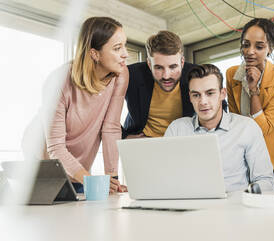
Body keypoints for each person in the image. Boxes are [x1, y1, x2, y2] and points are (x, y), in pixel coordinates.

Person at [37, 17, 129, 193]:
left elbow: (110, 128)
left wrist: (112, 179)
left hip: (80, 174)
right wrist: (89, 179)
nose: (125, 53)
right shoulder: (58, 81)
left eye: (124, 45)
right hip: (48, 171)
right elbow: (55, 147)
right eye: (117, 48)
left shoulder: (121, 74)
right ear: (95, 54)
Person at [165, 64, 274, 192]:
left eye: (210, 93)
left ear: (222, 94)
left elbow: (265, 180)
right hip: (189, 206)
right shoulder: (176, 129)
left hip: (235, 207)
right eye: (196, 95)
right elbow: (164, 177)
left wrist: (241, 198)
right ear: (190, 97)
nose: (203, 102)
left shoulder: (246, 128)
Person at [226, 18, 274, 184]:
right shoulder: (232, 75)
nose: (250, 51)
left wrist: (253, 89)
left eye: (259, 46)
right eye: (246, 44)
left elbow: (264, 128)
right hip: (245, 159)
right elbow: (234, 121)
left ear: (270, 49)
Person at [122, 31, 194, 138]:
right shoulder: (130, 75)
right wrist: (125, 136)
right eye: (159, 67)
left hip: (183, 141)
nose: (166, 76)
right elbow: (103, 112)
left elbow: (220, 107)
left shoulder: (197, 74)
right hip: (143, 142)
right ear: (149, 64)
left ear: (182, 62)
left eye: (173, 67)